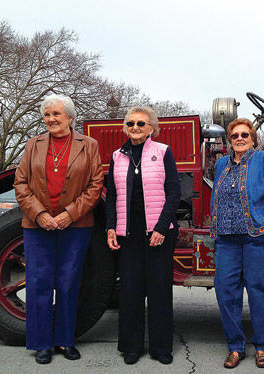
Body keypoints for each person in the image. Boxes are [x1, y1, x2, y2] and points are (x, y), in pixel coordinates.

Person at [14, 94, 104, 364]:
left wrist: (69, 214)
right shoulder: (33, 145)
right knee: (39, 283)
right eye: (47, 115)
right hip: (36, 226)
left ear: (70, 117)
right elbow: (20, 183)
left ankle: (65, 341)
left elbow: (95, 185)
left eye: (56, 114)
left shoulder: (89, 145)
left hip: (75, 226)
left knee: (68, 283)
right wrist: (39, 214)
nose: (51, 119)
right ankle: (41, 343)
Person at [210, 118, 264, 369]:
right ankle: (235, 346)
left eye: (245, 134)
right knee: (226, 292)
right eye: (235, 136)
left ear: (253, 138)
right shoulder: (221, 164)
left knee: (261, 292)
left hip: (257, 238)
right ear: (229, 141)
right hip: (227, 240)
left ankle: (262, 346)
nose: (240, 139)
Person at [105, 106, 181, 365]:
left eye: (140, 123)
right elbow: (112, 195)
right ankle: (131, 347)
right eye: (130, 124)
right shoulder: (117, 156)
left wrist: (161, 228)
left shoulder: (163, 152)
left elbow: (174, 193)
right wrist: (111, 227)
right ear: (125, 127)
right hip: (129, 233)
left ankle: (161, 348)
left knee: (160, 290)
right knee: (130, 291)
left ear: (151, 128)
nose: (135, 128)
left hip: (158, 233)